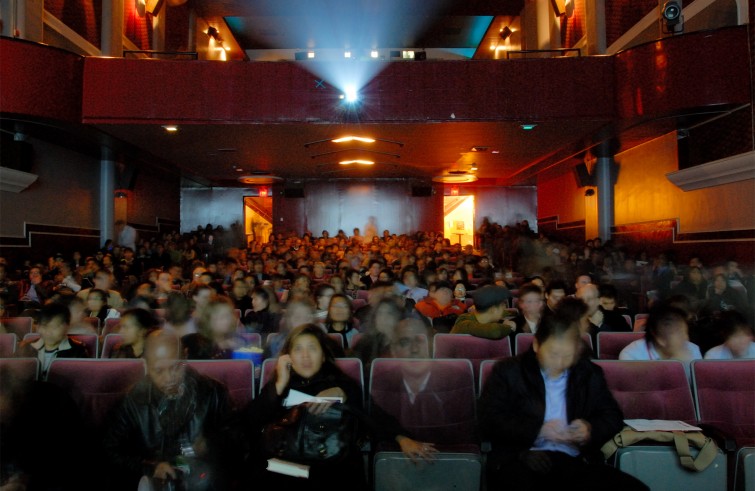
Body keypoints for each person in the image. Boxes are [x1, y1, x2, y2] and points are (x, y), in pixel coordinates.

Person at [478, 313, 648, 491]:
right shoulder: (509, 372)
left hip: (576, 460)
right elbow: (488, 420)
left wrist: (589, 429)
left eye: (567, 355)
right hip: (521, 456)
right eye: (553, 354)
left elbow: (612, 416)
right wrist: (537, 430)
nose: (560, 362)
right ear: (536, 345)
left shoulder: (588, 373)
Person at [102, 330, 233, 491]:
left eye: (176, 367)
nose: (169, 377)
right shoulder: (131, 402)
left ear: (185, 357)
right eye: (159, 371)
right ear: (146, 365)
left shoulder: (213, 393)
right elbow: (110, 451)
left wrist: (210, 445)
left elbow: (237, 443)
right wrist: (149, 467)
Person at [248, 324, 367, 490]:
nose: (305, 356)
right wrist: (279, 385)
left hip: (329, 468)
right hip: (283, 467)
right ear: (288, 357)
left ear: (323, 356)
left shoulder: (343, 385)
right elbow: (250, 423)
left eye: (312, 348)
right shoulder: (279, 386)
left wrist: (344, 394)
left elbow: (366, 423)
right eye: (298, 349)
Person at [619, 304, 702, 375]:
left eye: (685, 332)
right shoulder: (632, 356)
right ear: (659, 338)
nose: (686, 338)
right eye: (679, 333)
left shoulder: (693, 350)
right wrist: (676, 366)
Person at [16, 302, 89, 377]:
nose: (48, 332)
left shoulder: (78, 352)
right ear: (38, 326)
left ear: (67, 326)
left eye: (54, 327)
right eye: (44, 326)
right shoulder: (26, 347)